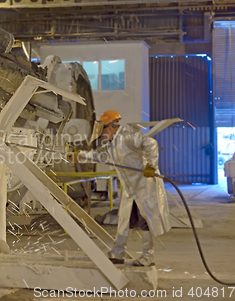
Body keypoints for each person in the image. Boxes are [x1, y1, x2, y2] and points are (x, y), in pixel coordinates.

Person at [68, 110, 171, 267]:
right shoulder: (112, 145)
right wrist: (79, 155)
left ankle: (147, 256)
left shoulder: (128, 137)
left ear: (110, 128)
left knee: (145, 221)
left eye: (103, 132)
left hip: (145, 185)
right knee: (124, 220)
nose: (103, 136)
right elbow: (98, 155)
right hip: (130, 188)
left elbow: (150, 143)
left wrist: (151, 165)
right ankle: (117, 253)